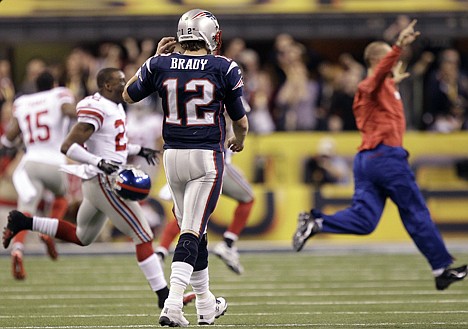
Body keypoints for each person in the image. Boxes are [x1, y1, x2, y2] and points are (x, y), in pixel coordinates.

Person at [292, 20, 467, 291]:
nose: (396, 60)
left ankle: (316, 222)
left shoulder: (383, 86)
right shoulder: (369, 84)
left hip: (369, 161)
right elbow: (376, 77)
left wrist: (393, 78)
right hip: (386, 158)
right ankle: (441, 267)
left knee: (365, 221)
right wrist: (398, 45)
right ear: (380, 58)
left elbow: (381, 83)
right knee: (416, 211)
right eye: (389, 57)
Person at [2, 68, 193, 309]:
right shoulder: (98, 107)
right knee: (143, 235)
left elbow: (113, 144)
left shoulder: (115, 106)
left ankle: (24, 222)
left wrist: (137, 150)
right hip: (105, 181)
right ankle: (165, 297)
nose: (125, 86)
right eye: (120, 82)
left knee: (82, 236)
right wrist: (98, 162)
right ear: (106, 86)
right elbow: (68, 147)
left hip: (97, 181)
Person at [122, 8, 249, 327]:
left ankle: (206, 305)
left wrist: (150, 60)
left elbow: (128, 94)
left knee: (196, 230)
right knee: (191, 230)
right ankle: (173, 304)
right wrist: (239, 138)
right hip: (205, 156)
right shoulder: (224, 67)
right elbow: (240, 120)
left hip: (173, 157)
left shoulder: (160, 63)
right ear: (209, 34)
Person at [0, 71, 76, 280]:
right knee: (61, 198)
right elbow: (69, 110)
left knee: (25, 211)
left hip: (30, 163)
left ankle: (17, 248)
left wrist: (6, 145)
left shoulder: (23, 102)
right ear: (54, 83)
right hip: (54, 161)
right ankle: (47, 230)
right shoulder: (60, 94)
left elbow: (9, 137)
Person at [156, 147, 255, 275]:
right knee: (248, 198)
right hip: (213, 163)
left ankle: (161, 252)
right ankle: (227, 245)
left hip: (183, 164)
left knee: (187, 213)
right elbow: (235, 129)